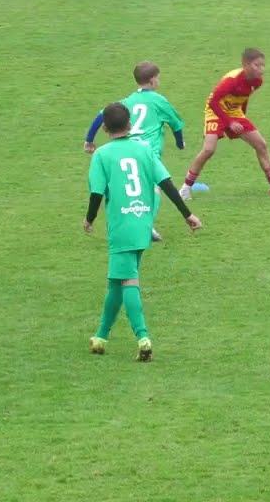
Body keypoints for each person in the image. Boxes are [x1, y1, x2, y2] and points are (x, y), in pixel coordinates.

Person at [86, 102, 201, 361]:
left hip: (121, 226)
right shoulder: (145, 149)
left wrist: (89, 219)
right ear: (129, 125)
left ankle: (143, 337)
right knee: (118, 280)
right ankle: (101, 337)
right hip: (142, 223)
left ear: (104, 127)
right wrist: (188, 214)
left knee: (128, 281)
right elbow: (167, 184)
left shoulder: (102, 155)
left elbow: (96, 193)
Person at [84, 61, 186, 241]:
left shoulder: (127, 101)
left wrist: (89, 140)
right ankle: (146, 225)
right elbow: (175, 124)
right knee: (155, 188)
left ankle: (128, 223)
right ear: (153, 80)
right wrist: (179, 143)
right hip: (147, 153)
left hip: (127, 148)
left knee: (130, 188)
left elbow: (101, 115)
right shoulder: (159, 101)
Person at [179, 48, 270, 199]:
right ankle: (185, 188)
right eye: (257, 65)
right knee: (209, 149)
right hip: (216, 111)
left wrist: (242, 117)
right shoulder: (232, 81)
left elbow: (244, 97)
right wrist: (229, 123)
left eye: (263, 65)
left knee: (261, 144)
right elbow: (213, 102)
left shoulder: (257, 81)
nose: (261, 69)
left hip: (234, 111)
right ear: (246, 65)